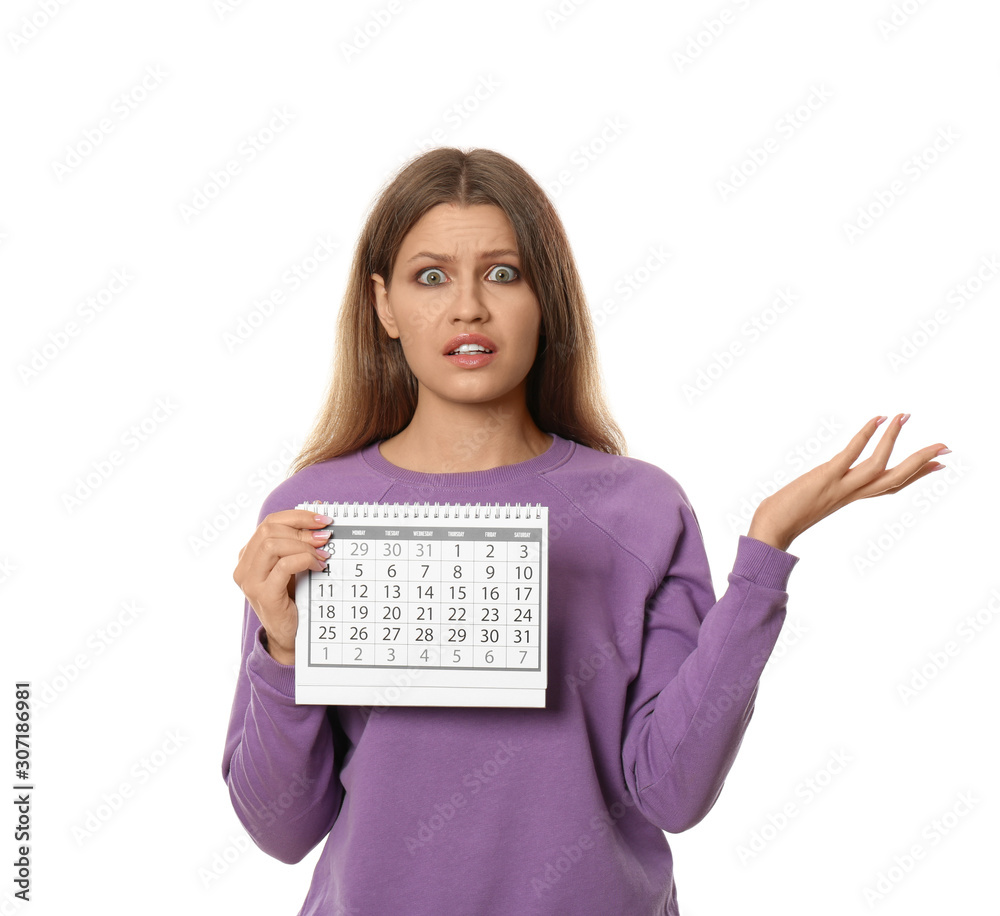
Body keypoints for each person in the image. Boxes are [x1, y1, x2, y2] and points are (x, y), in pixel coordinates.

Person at [223, 147, 948, 915]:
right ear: (384, 305)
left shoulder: (640, 509)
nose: (468, 307)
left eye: (503, 274)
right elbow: (281, 829)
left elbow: (673, 791)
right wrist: (284, 653)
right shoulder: (312, 512)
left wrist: (766, 553)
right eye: (430, 277)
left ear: (547, 299)